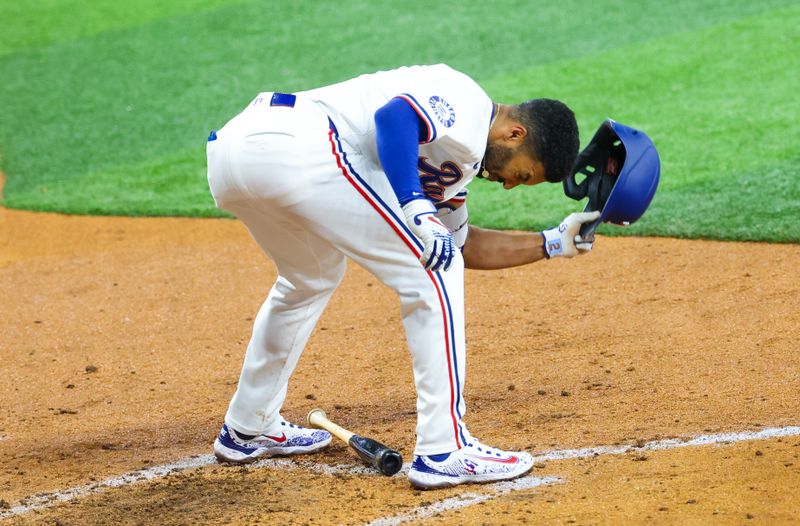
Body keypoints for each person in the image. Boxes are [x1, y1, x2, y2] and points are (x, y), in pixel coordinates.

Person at [206, 64, 599, 489]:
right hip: (298, 147)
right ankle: (444, 448)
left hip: (239, 157)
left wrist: (554, 242)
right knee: (434, 272)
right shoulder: (466, 103)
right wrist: (416, 207)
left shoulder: (456, 160)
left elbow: (460, 244)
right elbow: (394, 118)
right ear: (514, 134)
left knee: (310, 277)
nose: (508, 186)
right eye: (522, 175)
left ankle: (248, 424)